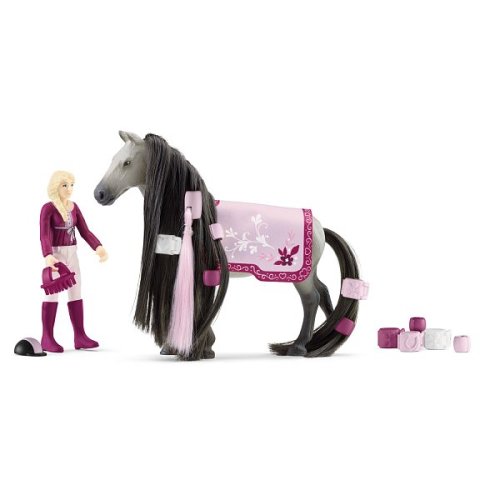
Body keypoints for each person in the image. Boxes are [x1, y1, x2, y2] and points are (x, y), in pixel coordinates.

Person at [40, 171, 108, 352]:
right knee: (52, 294)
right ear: (56, 186)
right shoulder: (48, 208)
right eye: (65, 185)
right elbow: (44, 234)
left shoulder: (74, 207)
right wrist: (47, 254)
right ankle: (47, 337)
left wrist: (98, 246)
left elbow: (85, 231)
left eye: (71, 185)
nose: (69, 189)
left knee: (76, 292)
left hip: (72, 254)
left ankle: (80, 336)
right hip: (56, 256)